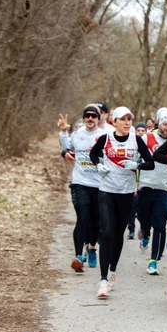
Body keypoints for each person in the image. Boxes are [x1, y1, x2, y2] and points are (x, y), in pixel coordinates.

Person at [89, 106, 155, 299]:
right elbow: (94, 154)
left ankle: (112, 271)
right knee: (107, 232)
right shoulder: (106, 138)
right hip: (106, 190)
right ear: (114, 121)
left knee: (118, 233)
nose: (127, 123)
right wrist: (99, 164)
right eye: (123, 119)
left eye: (129, 119)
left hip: (126, 193)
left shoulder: (136, 140)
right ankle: (102, 280)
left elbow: (150, 162)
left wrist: (138, 165)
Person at [60, 104, 108, 272]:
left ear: (98, 118)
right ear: (83, 118)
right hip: (80, 183)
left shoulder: (105, 135)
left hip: (99, 185)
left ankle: (92, 247)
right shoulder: (77, 135)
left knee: (95, 221)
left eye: (93, 116)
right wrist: (63, 137)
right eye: (87, 115)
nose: (90, 119)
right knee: (83, 218)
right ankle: (78, 257)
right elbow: (67, 150)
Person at [137, 109, 167, 275]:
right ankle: (145, 234)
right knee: (145, 221)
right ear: (159, 124)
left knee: (160, 225)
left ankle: (153, 261)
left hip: (163, 188)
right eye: (165, 124)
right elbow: (135, 157)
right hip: (145, 185)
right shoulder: (147, 138)